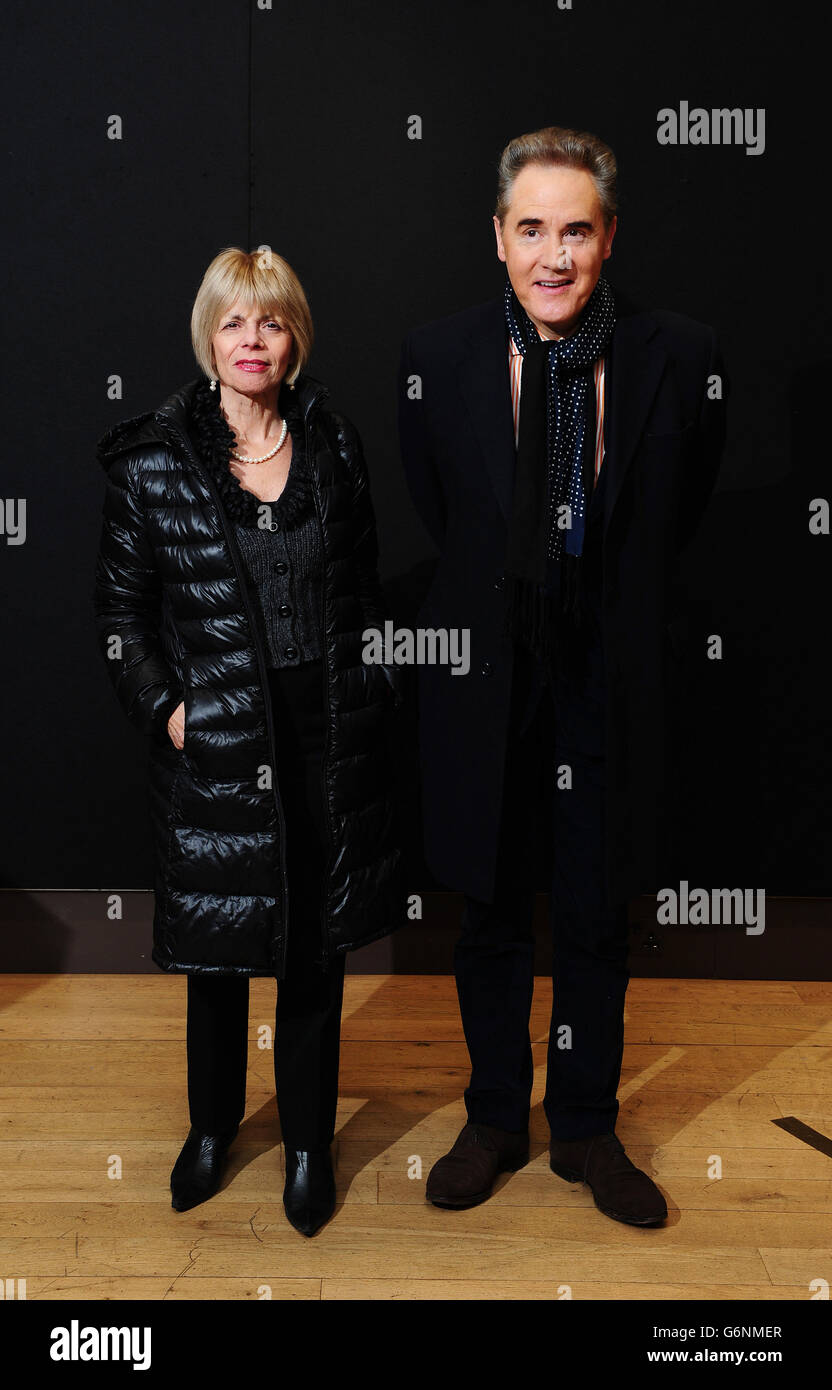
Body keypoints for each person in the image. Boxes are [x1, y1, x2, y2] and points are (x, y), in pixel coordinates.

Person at [397, 126, 727, 1226]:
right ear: (496, 238)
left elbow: (675, 514)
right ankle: (495, 1115)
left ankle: (584, 1126)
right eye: (530, 228)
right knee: (489, 903)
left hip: (608, 666)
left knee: (593, 906)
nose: (553, 254)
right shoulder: (437, 357)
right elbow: (445, 513)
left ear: (608, 238)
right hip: (490, 669)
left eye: (574, 230)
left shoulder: (676, 353)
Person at [93, 246, 403, 1236]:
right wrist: (165, 708)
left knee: (312, 951)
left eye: (270, 322)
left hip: (323, 736)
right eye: (234, 322)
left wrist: (370, 687)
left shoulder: (335, 448)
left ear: (294, 336)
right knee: (219, 953)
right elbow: (119, 615)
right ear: (209, 336)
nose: (252, 340)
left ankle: (309, 1143)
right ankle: (213, 1129)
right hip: (218, 740)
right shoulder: (154, 462)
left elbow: (360, 592)